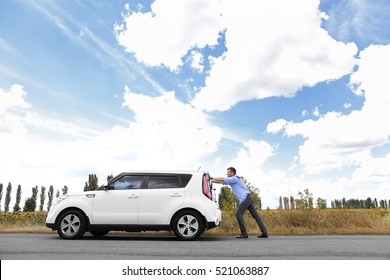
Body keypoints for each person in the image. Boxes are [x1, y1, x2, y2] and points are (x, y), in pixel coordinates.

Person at [211, 167, 268, 239]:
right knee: (255, 215)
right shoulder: (232, 180)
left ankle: (244, 233)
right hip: (248, 197)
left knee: (239, 214)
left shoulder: (235, 178)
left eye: (228, 172)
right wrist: (211, 181)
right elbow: (222, 182)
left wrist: (211, 177)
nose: (227, 173)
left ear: (232, 173)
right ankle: (264, 232)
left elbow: (223, 179)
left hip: (245, 198)